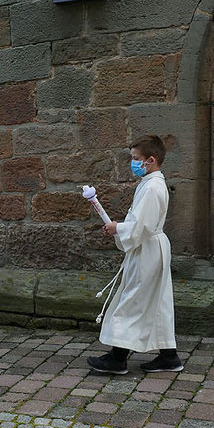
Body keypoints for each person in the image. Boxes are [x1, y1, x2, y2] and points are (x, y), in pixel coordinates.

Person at [87, 135, 181, 375]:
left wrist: (117, 227)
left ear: (151, 160)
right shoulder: (150, 183)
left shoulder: (152, 186)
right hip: (150, 246)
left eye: (136, 159)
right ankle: (169, 356)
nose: (133, 163)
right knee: (156, 301)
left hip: (148, 247)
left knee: (133, 300)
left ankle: (117, 358)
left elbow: (143, 225)